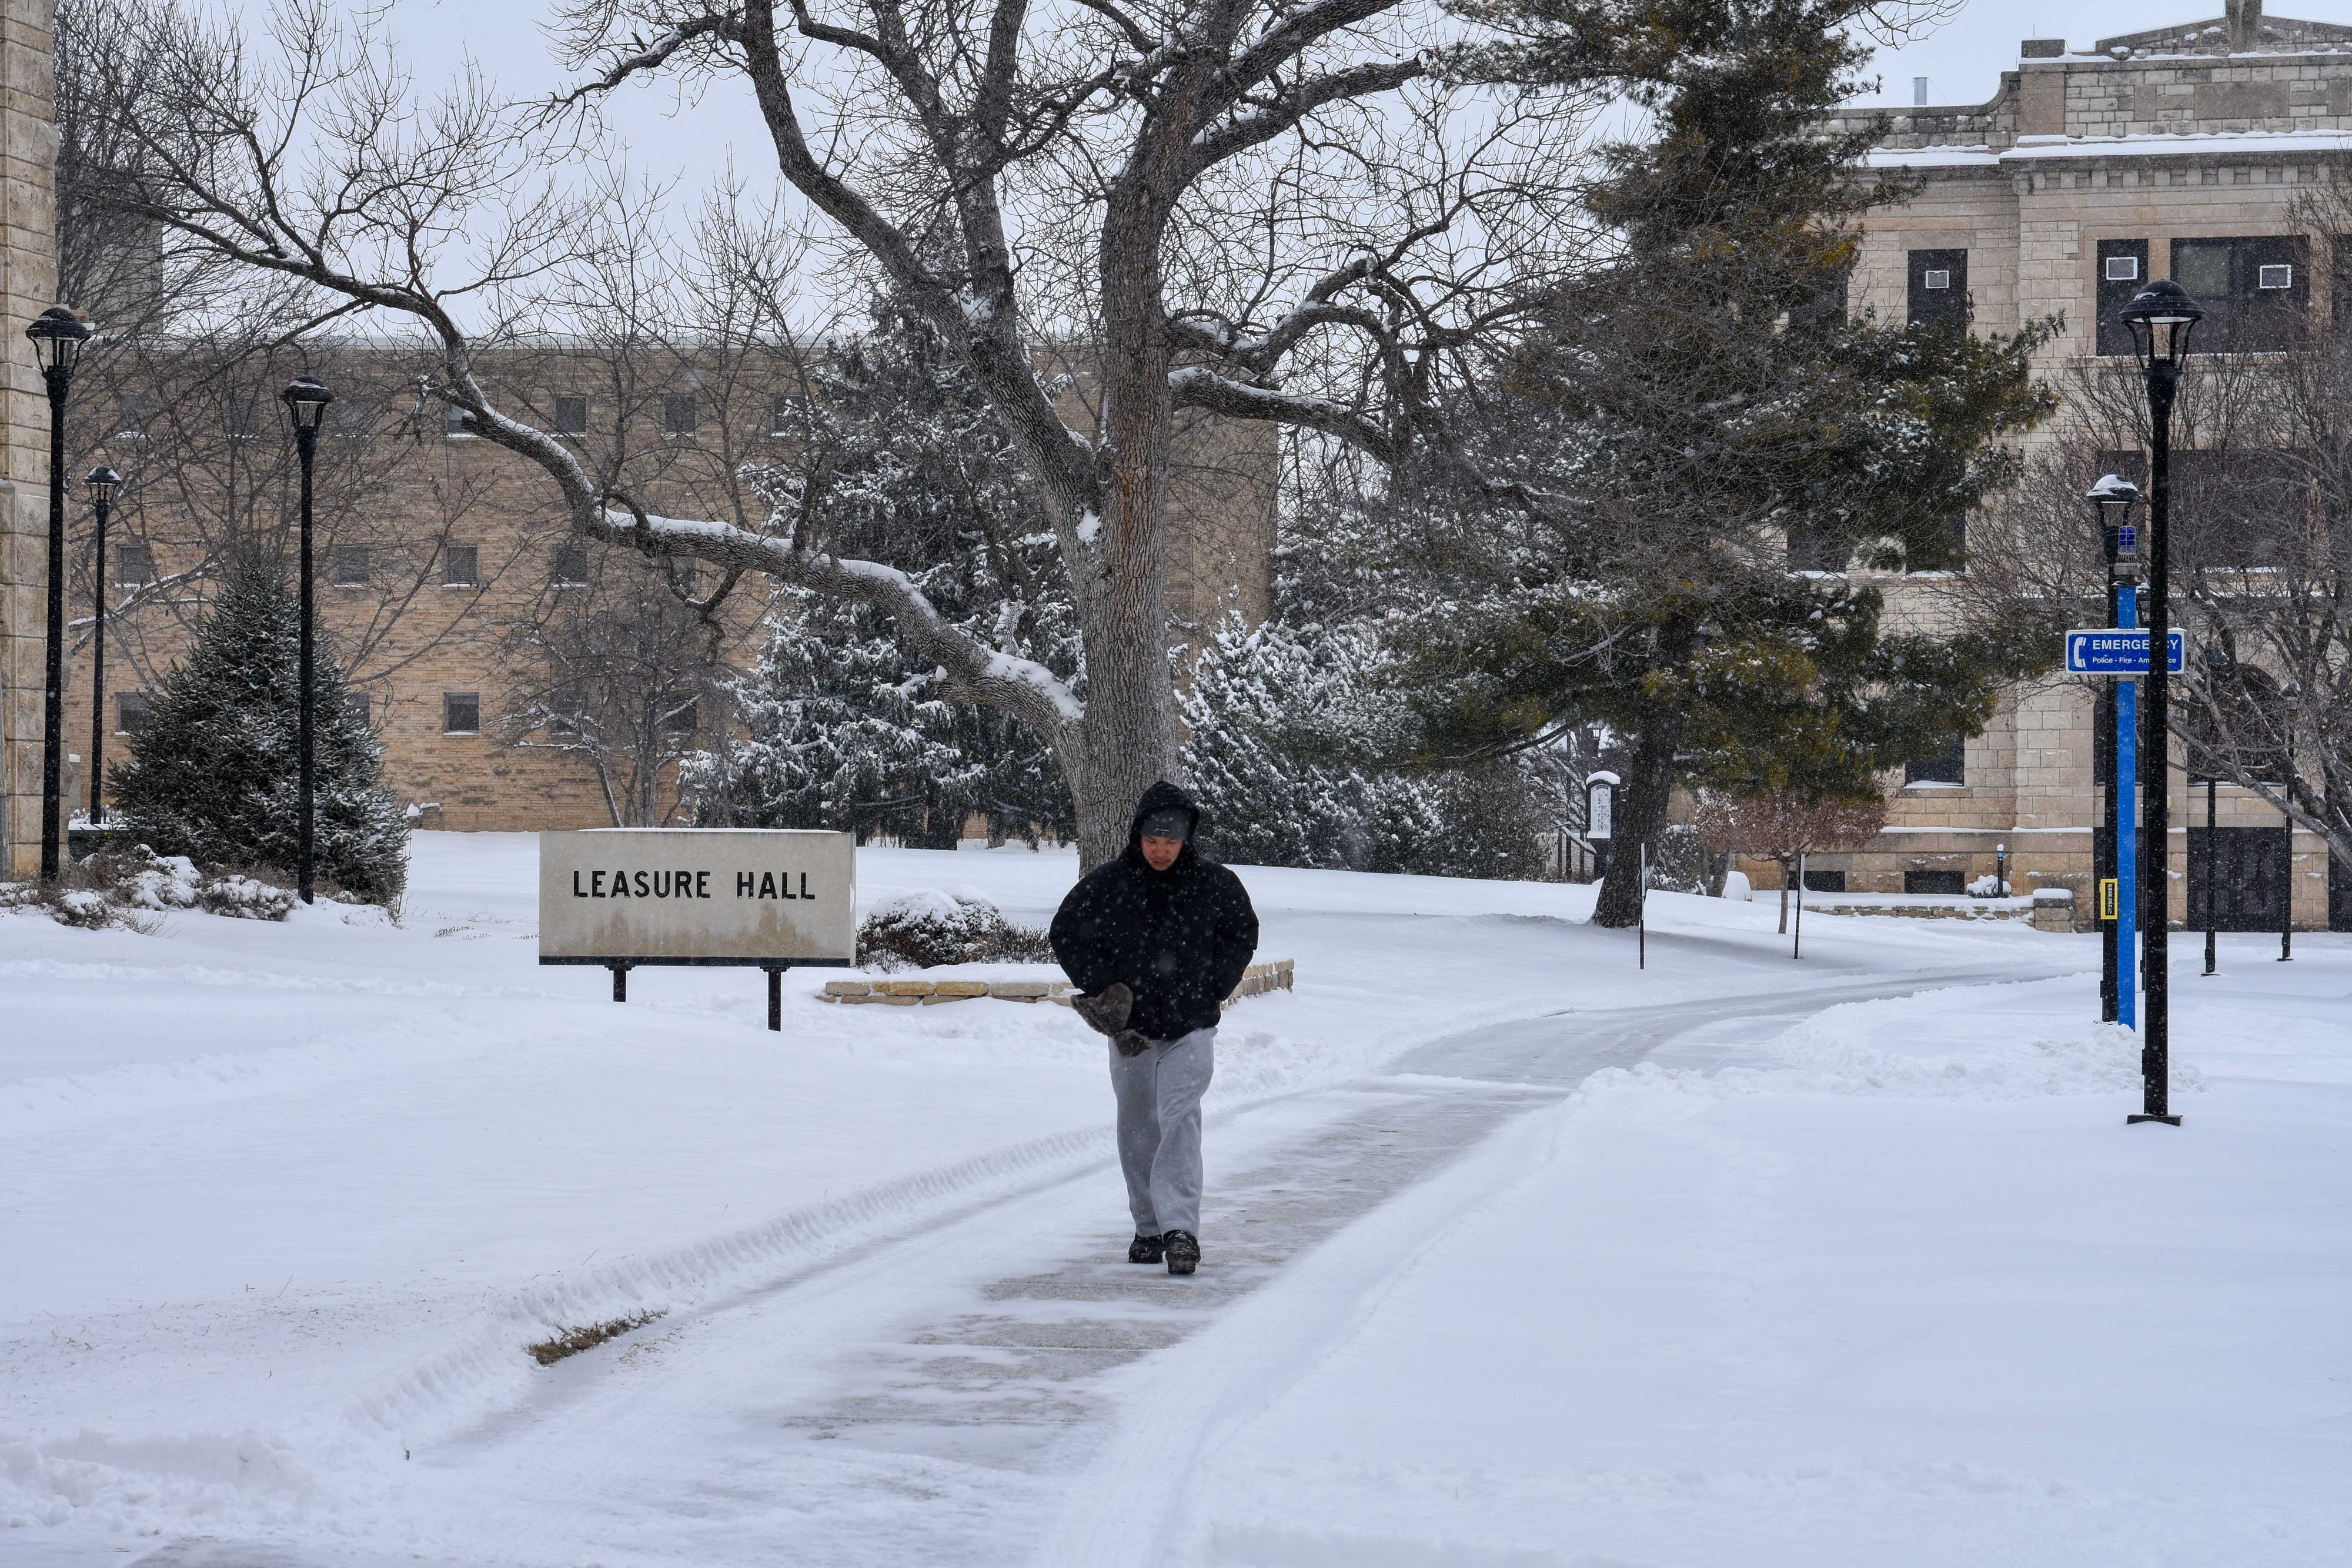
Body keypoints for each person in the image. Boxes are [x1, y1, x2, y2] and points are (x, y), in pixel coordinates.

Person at [1050, 781, 1259, 1276]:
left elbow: (1242, 932)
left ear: (1187, 838)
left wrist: (1216, 984)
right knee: (1138, 1123)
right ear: (1137, 836)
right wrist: (1104, 987)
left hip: (1191, 1026)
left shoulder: (1216, 884)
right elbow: (1065, 931)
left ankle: (1181, 1228)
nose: (1161, 850)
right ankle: (1148, 1226)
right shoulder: (1109, 884)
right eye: (1152, 840)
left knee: (1180, 1117)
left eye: (1171, 840)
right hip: (1133, 1033)